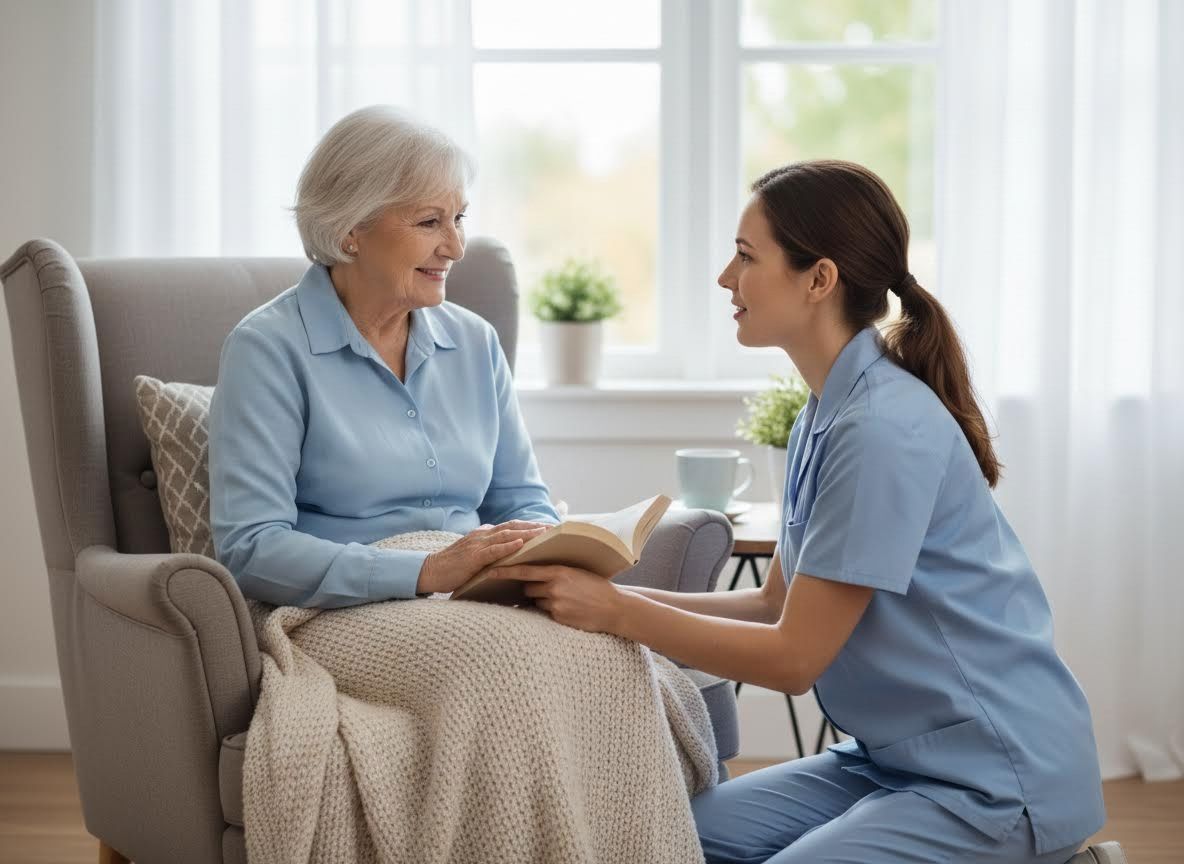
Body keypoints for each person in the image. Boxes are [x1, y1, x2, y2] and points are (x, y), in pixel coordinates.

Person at [492, 160, 1113, 863]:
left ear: (819, 279)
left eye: (747, 257)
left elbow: (793, 658)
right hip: (888, 762)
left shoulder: (881, 429)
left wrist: (617, 614)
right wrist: (604, 596)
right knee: (658, 841)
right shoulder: (824, 412)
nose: (727, 278)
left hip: (990, 778)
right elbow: (773, 605)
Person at [209, 105, 557, 608]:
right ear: (350, 229)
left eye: (458, 218)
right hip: (340, 608)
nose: (456, 247)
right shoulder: (267, 349)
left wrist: (547, 549)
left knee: (617, 647)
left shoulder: (476, 342)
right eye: (429, 222)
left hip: (473, 599)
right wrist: (428, 571)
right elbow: (250, 549)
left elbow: (523, 501)